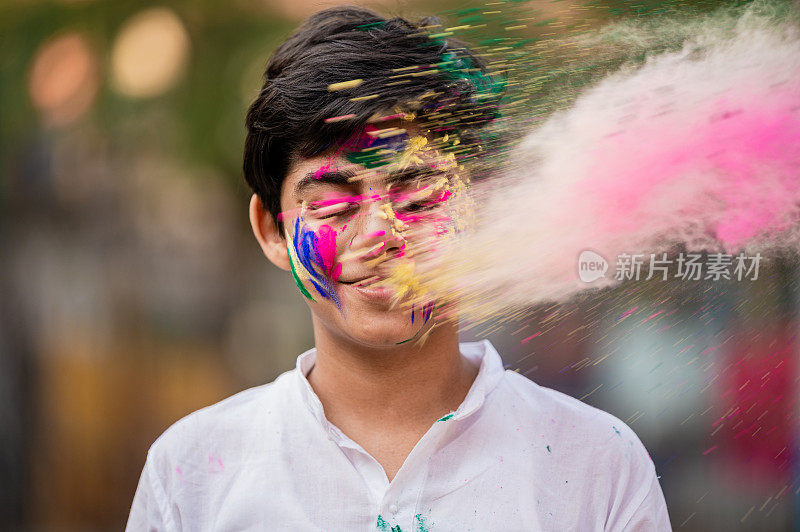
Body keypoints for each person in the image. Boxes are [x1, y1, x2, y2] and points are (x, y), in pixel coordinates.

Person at [126, 6, 671, 531]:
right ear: (272, 231)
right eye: (333, 204)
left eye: (419, 195)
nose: (380, 235)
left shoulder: (598, 467)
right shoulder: (191, 474)